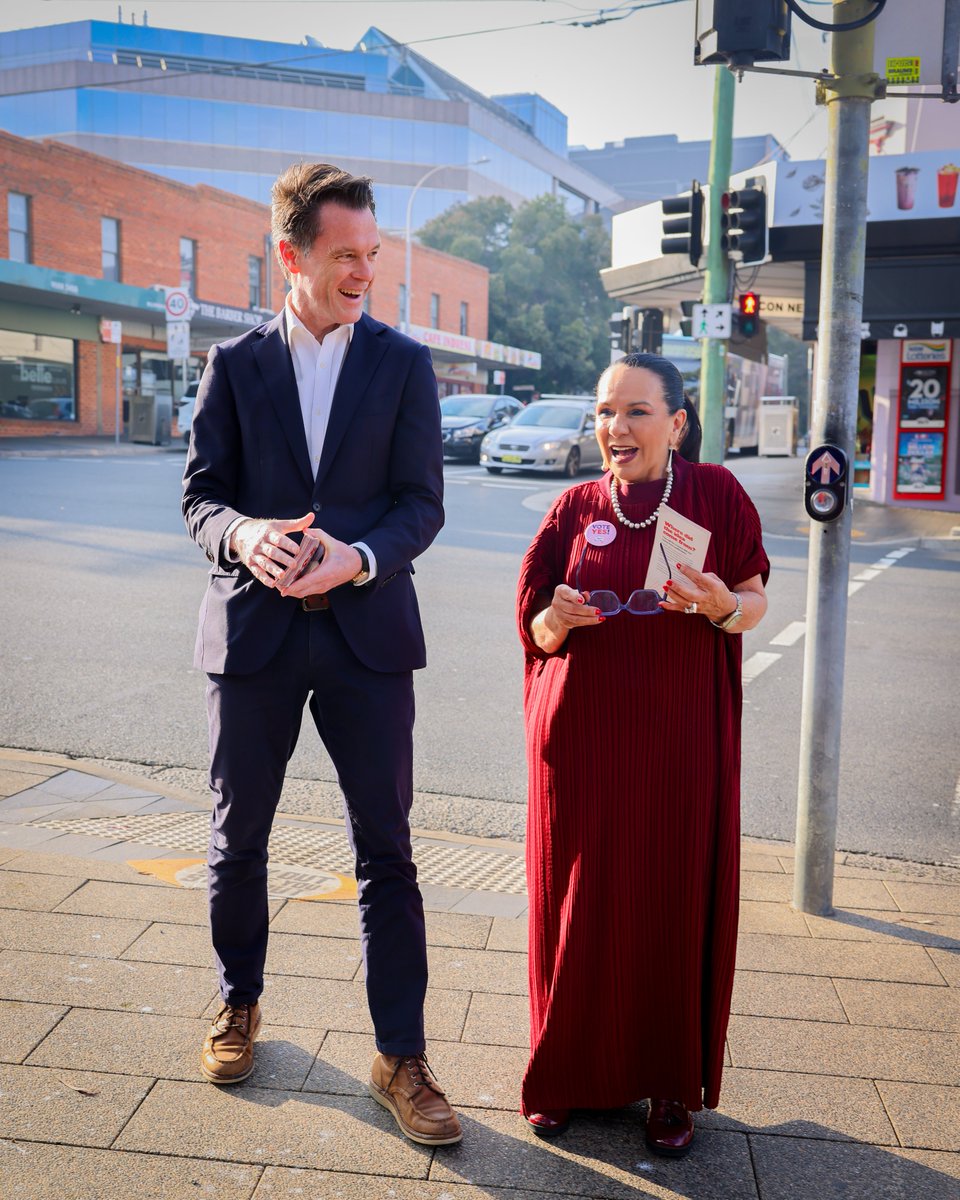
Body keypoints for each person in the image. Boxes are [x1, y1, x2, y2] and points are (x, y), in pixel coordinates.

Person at [182, 162, 462, 1147]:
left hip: (367, 636)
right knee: (237, 838)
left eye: (372, 257)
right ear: (290, 255)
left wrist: (360, 556)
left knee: (388, 850)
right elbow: (199, 499)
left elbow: (423, 503)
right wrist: (243, 536)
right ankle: (238, 1002)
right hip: (254, 638)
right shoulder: (233, 365)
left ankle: (400, 1054)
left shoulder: (403, 363)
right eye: (345, 256)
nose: (363, 274)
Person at [515, 352, 769, 1155]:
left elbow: (756, 595)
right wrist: (556, 619)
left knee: (667, 898)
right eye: (603, 412)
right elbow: (533, 628)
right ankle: (563, 1074)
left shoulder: (714, 495)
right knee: (577, 906)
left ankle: (668, 1084)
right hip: (581, 747)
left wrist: (726, 605)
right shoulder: (571, 507)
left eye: (635, 412)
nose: (614, 429)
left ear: (677, 422)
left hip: (678, 744)